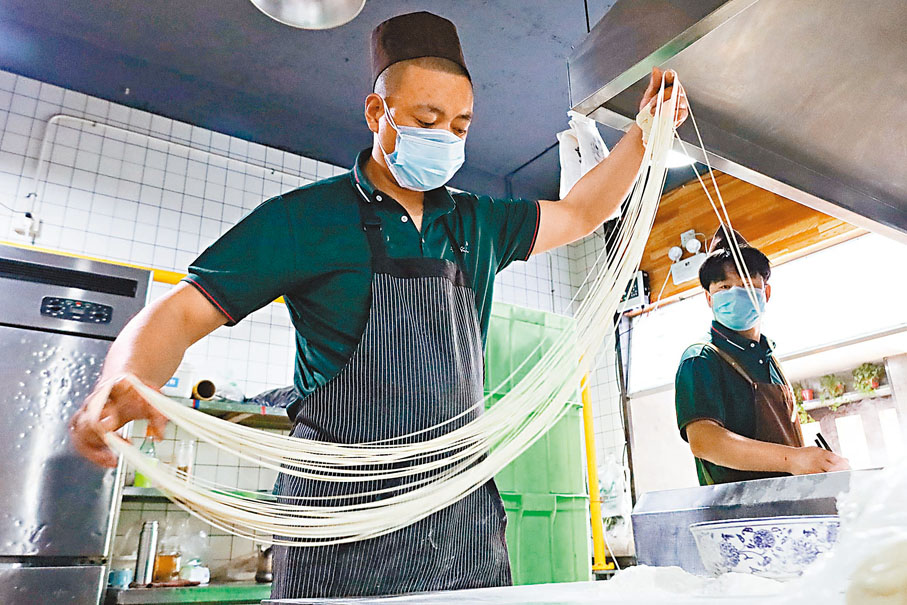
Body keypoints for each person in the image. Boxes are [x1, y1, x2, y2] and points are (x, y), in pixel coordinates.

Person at [70, 11, 687, 599]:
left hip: (459, 518)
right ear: (376, 111)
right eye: (426, 118)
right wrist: (126, 376)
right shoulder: (303, 220)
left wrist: (643, 135)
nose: (445, 138)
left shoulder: (478, 223)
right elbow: (183, 310)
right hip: (338, 521)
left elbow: (579, 213)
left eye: (460, 126)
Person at [674, 228, 849, 486]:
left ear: (765, 293)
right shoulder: (701, 359)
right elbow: (705, 441)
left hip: (789, 500)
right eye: (724, 287)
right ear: (709, 299)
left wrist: (817, 463)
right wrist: (793, 459)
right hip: (740, 509)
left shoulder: (771, 360)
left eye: (746, 285)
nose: (735, 293)